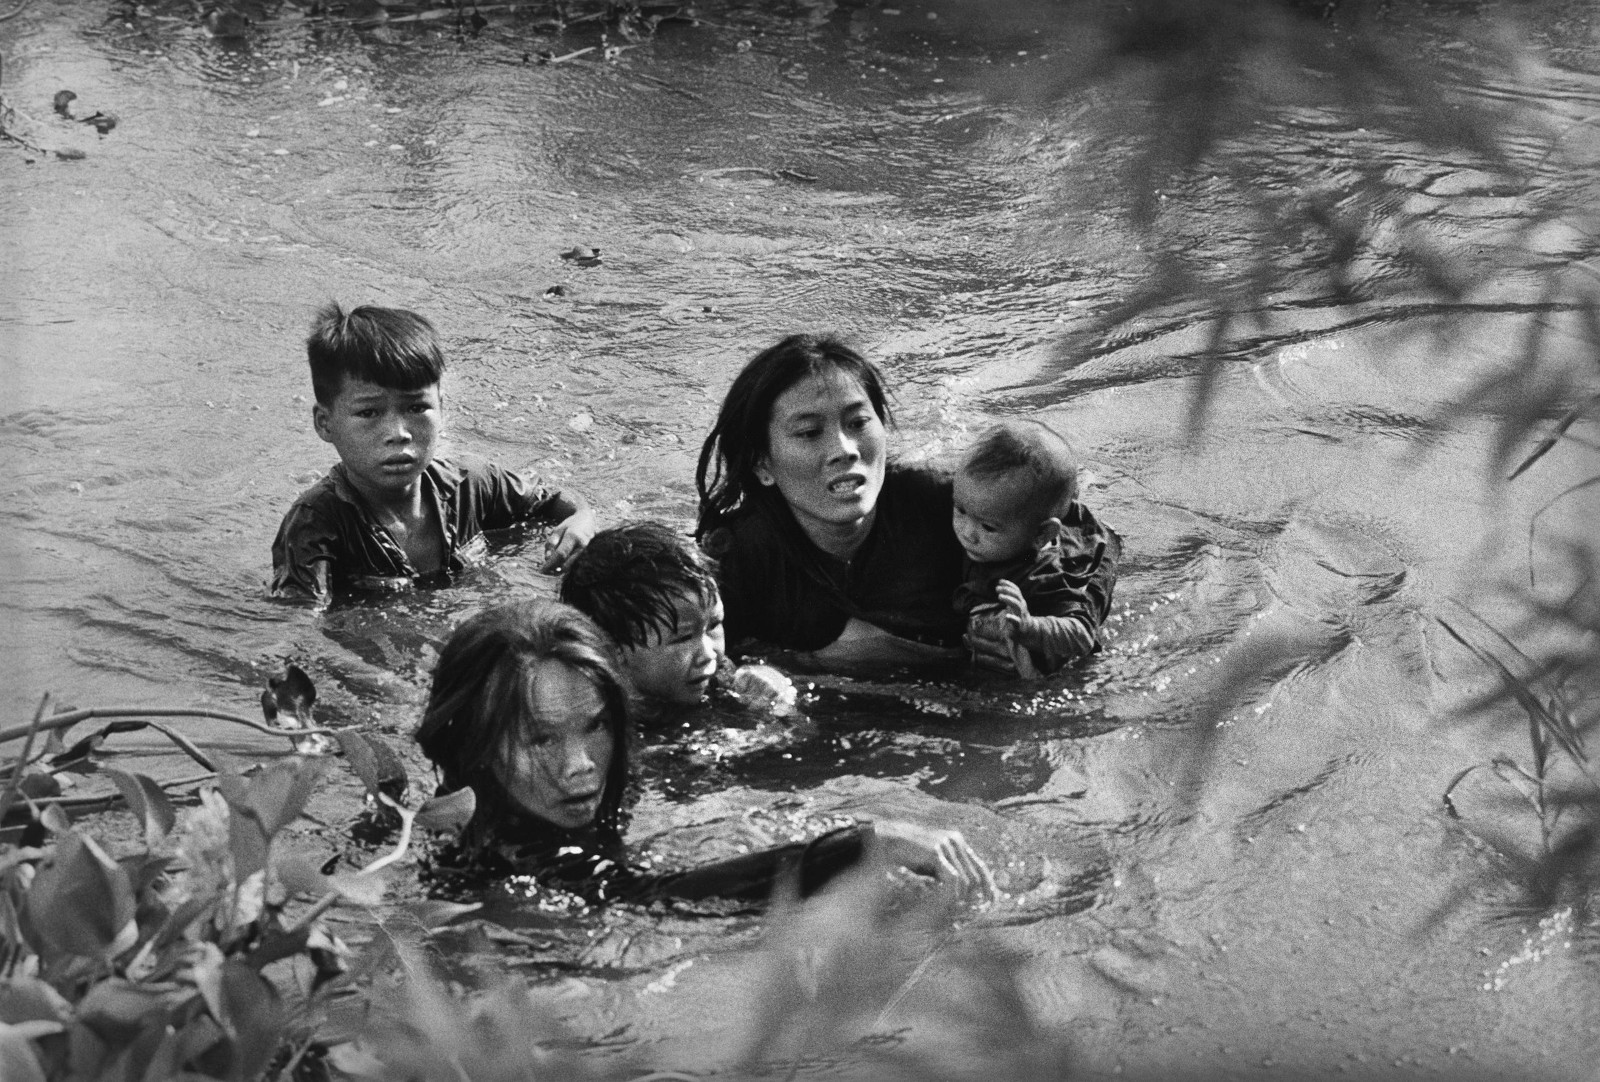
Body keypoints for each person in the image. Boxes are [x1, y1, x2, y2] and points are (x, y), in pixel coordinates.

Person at [414, 599, 994, 906]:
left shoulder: (600, 765)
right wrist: (855, 846)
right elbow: (646, 896)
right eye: (541, 738)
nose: (581, 765)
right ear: (479, 748)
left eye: (594, 726)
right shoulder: (497, 841)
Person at [695, 334, 1118, 671]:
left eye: (859, 422)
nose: (845, 449)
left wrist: (1045, 638)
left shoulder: (949, 506)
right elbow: (689, 661)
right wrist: (810, 663)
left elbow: (1093, 539)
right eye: (809, 433)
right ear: (762, 465)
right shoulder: (737, 557)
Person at [271, 303, 596, 601]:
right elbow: (301, 626)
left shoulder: (472, 484)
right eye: (369, 413)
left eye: (416, 407)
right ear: (325, 424)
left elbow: (553, 502)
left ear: (442, 410)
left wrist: (582, 518)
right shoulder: (314, 525)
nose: (398, 433)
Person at [558, 521, 797, 715]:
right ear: (612, 652)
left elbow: (802, 731)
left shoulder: (720, 676)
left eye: (713, 625)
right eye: (683, 637)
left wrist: (777, 694)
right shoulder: (593, 717)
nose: (708, 654)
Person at [951, 421, 1120, 678]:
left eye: (987, 527)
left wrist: (1032, 627)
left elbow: (1083, 635)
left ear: (1041, 535)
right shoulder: (989, 514)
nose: (966, 532)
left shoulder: (1045, 574)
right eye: (960, 511)